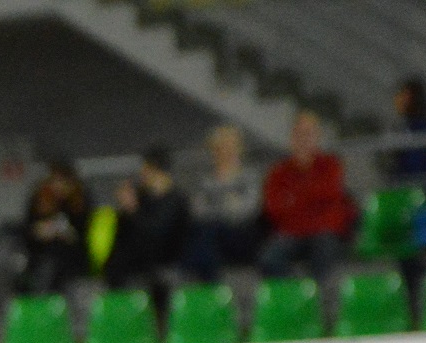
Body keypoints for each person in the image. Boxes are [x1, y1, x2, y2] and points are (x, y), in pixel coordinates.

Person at [258, 112, 357, 285]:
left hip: (323, 231)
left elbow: (329, 194)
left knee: (324, 249)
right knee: (269, 258)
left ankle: (317, 296)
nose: (304, 139)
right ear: (292, 138)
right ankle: (295, 296)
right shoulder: (278, 172)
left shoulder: (331, 165)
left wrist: (293, 198)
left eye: (309, 134)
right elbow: (273, 207)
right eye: (299, 134)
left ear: (317, 137)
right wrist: (308, 199)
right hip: (291, 232)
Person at [105, 148, 191, 305]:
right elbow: (123, 236)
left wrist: (133, 209)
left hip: (166, 260)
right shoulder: (143, 198)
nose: (143, 175)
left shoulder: (176, 200)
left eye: (147, 171)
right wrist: (125, 211)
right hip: (136, 263)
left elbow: (157, 235)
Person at [184, 125, 263, 281]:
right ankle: (207, 281)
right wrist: (227, 201)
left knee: (207, 233)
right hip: (211, 234)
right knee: (204, 233)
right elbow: (197, 211)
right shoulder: (204, 181)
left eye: (230, 147)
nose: (225, 152)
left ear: (239, 149)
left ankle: (206, 282)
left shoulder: (250, 177)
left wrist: (215, 204)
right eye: (220, 148)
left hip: (241, 233)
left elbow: (247, 210)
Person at [17, 160, 91, 294]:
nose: (59, 186)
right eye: (56, 181)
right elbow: (28, 230)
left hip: (72, 256)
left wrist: (68, 233)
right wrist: (40, 231)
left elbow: (86, 232)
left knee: (59, 259)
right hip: (41, 254)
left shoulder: (80, 201)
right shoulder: (40, 199)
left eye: (64, 181)